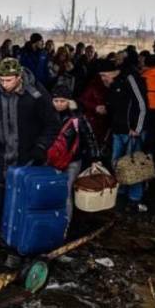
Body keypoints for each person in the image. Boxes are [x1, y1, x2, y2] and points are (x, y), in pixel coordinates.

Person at [0, 58, 61, 227]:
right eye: (1, 80)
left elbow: (52, 124)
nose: (4, 84)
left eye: (8, 80)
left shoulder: (36, 95)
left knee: (22, 202)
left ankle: (19, 236)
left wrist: (41, 146)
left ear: (19, 76)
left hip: (28, 155)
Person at [97, 59, 148, 212]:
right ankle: (121, 193)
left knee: (134, 165)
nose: (103, 79)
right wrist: (106, 108)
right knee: (117, 164)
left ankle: (135, 198)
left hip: (131, 132)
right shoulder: (112, 85)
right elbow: (115, 105)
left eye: (104, 75)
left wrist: (137, 128)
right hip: (117, 130)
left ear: (113, 72)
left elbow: (141, 104)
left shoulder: (130, 79)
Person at [51, 85, 100, 220]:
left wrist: (94, 159)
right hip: (52, 160)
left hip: (72, 161)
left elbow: (89, 136)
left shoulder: (78, 117)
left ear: (69, 101)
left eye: (63, 101)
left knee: (65, 192)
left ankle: (65, 223)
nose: (59, 104)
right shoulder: (47, 114)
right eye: (56, 101)